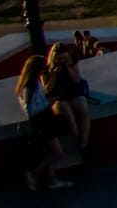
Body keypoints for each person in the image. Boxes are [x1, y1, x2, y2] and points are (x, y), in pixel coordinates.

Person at [18, 51, 77, 192]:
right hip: (41, 121)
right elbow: (30, 107)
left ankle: (52, 181)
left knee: (49, 152)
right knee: (57, 152)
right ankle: (34, 174)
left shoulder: (31, 83)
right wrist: (46, 105)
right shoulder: (30, 87)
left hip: (41, 120)